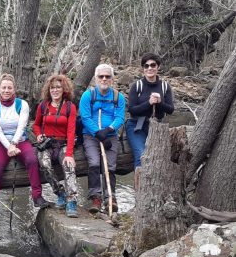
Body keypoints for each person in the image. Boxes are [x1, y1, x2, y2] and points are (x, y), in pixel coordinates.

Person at [0, 73, 50, 226]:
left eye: (9, 88)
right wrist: (9, 147)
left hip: (20, 140)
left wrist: (14, 143)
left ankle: (37, 196)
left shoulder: (22, 105)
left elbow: (22, 126)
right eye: (4, 87)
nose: (6, 90)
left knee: (32, 160)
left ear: (14, 89)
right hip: (2, 142)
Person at [79, 64, 126, 214]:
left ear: (112, 79)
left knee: (110, 167)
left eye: (107, 76)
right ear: (95, 78)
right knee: (93, 163)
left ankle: (110, 198)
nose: (104, 79)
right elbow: (85, 117)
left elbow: (120, 117)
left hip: (110, 136)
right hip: (91, 136)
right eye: (101, 76)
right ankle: (96, 198)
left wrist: (108, 130)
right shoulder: (88, 95)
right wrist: (98, 132)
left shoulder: (118, 97)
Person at [126, 53, 174, 189]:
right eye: (146, 66)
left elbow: (170, 110)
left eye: (153, 65)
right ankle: (140, 194)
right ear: (143, 69)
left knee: (158, 160)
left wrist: (159, 102)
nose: (149, 68)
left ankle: (156, 191)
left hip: (157, 127)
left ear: (158, 67)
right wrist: (149, 102)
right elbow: (132, 110)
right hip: (137, 126)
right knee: (141, 156)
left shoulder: (165, 86)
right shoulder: (137, 86)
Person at [33, 74, 79, 217]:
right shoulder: (43, 105)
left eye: (58, 87)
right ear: (49, 89)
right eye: (52, 88)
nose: (55, 90)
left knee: (68, 166)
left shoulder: (70, 107)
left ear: (64, 89)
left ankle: (72, 201)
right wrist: (39, 134)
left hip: (63, 143)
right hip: (47, 143)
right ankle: (60, 193)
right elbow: (36, 125)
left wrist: (70, 154)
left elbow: (71, 131)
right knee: (44, 164)